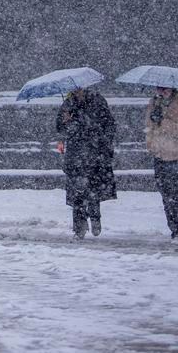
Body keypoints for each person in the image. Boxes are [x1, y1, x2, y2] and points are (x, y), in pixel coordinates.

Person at [56, 85, 117, 238]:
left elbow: (109, 124)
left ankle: (95, 217)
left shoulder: (97, 100)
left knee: (93, 190)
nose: (77, 92)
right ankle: (79, 227)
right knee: (77, 193)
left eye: (79, 89)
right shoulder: (68, 104)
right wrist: (66, 121)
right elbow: (60, 127)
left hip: (95, 153)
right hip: (75, 155)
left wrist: (101, 139)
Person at [144, 87, 178, 243]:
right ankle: (173, 227)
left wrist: (163, 121)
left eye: (164, 88)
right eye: (158, 88)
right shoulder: (155, 102)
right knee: (166, 195)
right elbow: (149, 127)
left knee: (177, 194)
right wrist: (151, 144)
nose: (161, 91)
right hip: (160, 154)